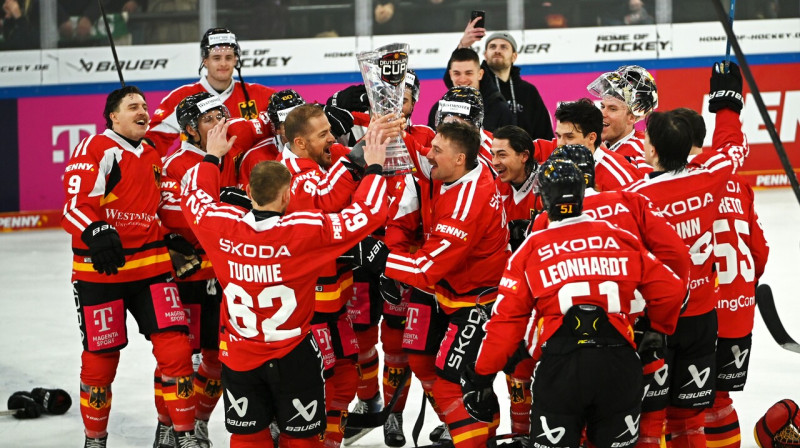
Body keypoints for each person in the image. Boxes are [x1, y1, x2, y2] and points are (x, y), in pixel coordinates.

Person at [179, 117, 391, 448]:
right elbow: (368, 213)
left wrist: (211, 157)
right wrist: (375, 168)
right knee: (303, 442)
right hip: (294, 354)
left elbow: (194, 196)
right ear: (287, 195)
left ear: (247, 192)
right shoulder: (303, 231)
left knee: (247, 439)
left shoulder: (219, 225)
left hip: (238, 357)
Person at [463, 158, 685, 448]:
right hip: (619, 367)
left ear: (543, 198)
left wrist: (481, 376)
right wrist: (656, 330)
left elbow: (505, 323)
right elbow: (672, 290)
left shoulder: (531, 248)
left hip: (561, 372)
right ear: (583, 194)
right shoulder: (622, 238)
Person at [348, 121, 510, 448]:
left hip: (474, 301)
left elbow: (425, 269)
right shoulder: (450, 166)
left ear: (460, 158)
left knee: (458, 384)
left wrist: (379, 258)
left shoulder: (467, 205)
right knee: (421, 360)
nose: (429, 155)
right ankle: (462, 427)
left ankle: (475, 439)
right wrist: (384, 120)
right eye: (432, 146)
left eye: (437, 150)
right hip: (443, 291)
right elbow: (416, 152)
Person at [61, 85, 200, 448]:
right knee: (100, 363)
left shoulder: (153, 154)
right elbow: (73, 207)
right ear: (113, 116)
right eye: (133, 106)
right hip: (101, 273)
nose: (143, 111)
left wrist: (170, 235)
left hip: (152, 268)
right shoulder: (95, 148)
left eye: (144, 106)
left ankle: (182, 436)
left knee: (177, 350)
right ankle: (95, 440)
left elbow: (153, 211)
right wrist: (94, 228)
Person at [624, 62, 750, 448]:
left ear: (655, 150)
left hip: (658, 324)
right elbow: (733, 149)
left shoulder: (637, 199)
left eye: (647, 141)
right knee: (690, 419)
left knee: (652, 418)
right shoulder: (709, 178)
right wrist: (727, 104)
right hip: (701, 319)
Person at [672, 108, 770, 448]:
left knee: (685, 409)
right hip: (739, 309)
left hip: (701, 313)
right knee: (720, 400)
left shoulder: (680, 182)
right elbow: (760, 254)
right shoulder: (734, 180)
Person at [158, 92, 244, 448]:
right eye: (210, 119)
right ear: (191, 129)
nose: (219, 124)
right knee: (180, 359)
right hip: (189, 278)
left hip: (224, 277)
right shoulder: (177, 163)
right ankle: (168, 423)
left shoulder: (231, 156)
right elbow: (177, 217)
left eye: (222, 116)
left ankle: (199, 422)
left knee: (217, 357)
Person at [146, 27, 276, 156]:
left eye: (229, 57)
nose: (223, 64)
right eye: (217, 58)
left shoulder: (262, 95)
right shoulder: (181, 97)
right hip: (199, 173)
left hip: (245, 174)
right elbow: (154, 140)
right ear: (205, 61)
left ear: (236, 60)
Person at [454, 20, 554, 140]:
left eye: (504, 47)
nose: (497, 50)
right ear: (485, 55)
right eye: (492, 46)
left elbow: (544, 134)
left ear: (514, 56)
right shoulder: (477, 85)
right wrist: (463, 45)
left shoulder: (528, 91)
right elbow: (456, 79)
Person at [587, 65, 659, 172]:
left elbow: (642, 188)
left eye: (612, 109)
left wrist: (606, 157)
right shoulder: (592, 143)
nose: (602, 114)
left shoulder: (644, 151)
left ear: (631, 117)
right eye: (602, 107)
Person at [428, 47, 513, 133]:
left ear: (480, 74)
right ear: (450, 75)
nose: (463, 79)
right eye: (457, 73)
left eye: (469, 73)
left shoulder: (500, 109)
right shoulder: (438, 109)